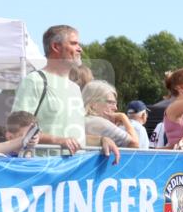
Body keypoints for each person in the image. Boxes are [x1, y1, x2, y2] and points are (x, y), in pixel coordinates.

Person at [11, 25, 119, 162]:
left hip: (73, 173)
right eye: (74, 43)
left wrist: (101, 140)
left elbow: (74, 138)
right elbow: (18, 131)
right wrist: (58, 140)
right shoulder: (34, 81)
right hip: (43, 172)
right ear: (56, 47)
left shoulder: (74, 88)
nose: (80, 49)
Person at [82, 80, 140, 148]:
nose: (115, 108)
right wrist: (123, 117)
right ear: (93, 104)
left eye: (115, 103)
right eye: (110, 102)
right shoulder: (100, 123)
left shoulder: (81, 120)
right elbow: (135, 144)